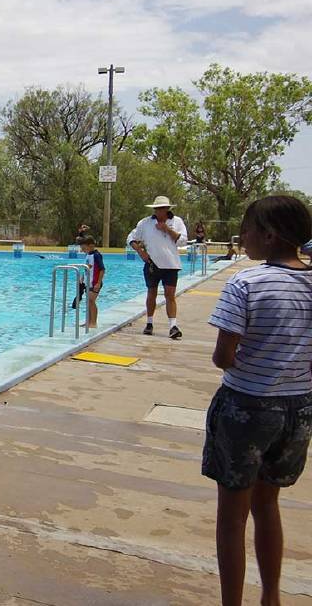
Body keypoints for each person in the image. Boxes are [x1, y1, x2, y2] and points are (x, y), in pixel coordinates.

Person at [204, 195, 312, 606]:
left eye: (247, 229)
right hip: (298, 410)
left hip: (247, 406)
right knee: (268, 505)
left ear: (268, 235)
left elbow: (223, 356)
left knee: (232, 518)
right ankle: (271, 597)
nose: (242, 236)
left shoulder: (246, 283)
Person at [129, 195, 188, 339]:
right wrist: (140, 251)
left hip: (171, 265)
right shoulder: (145, 223)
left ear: (167, 209)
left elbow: (182, 241)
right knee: (151, 293)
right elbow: (131, 238)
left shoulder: (177, 221)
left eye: (162, 208)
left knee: (170, 295)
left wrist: (167, 229)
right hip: (152, 264)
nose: (159, 211)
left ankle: (173, 326)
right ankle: (149, 323)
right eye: (157, 209)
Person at [77, 236, 105, 328]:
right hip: (88, 282)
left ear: (91, 245)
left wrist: (98, 283)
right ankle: (88, 321)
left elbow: (102, 269)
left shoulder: (96, 255)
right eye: (82, 248)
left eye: (84, 248)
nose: (83, 250)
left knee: (91, 301)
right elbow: (86, 268)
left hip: (95, 283)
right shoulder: (88, 255)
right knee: (88, 302)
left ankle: (94, 322)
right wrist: (82, 278)